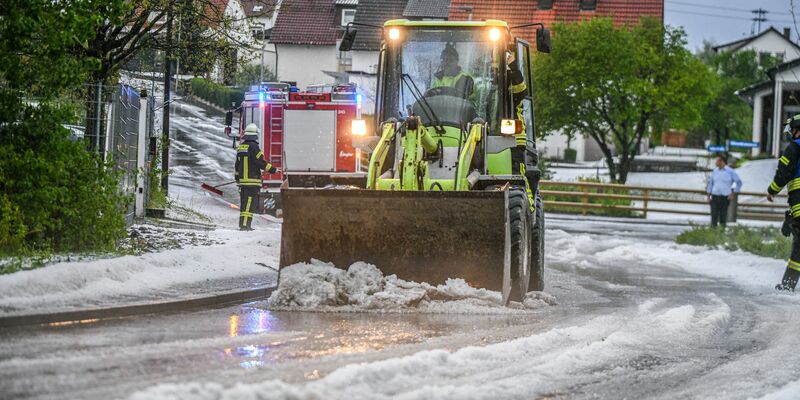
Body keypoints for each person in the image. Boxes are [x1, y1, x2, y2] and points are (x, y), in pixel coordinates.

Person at [767, 114, 800, 291]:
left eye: (792, 130)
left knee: (799, 247)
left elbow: (783, 173)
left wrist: (772, 190)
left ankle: (788, 285)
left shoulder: (795, 148)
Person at [234, 123, 275, 231]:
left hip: (243, 182)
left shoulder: (241, 147)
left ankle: (243, 224)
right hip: (252, 182)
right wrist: (273, 169)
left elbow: (237, 165)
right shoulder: (254, 147)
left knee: (244, 204)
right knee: (249, 204)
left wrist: (238, 178)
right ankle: (245, 226)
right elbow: (260, 162)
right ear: (255, 135)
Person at [706, 154, 742, 227]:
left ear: (722, 161)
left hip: (725, 197)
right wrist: (708, 195)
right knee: (714, 216)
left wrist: (733, 193)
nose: (715, 162)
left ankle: (721, 233)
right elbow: (711, 183)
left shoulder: (730, 171)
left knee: (723, 216)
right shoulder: (715, 171)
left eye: (717, 160)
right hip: (715, 196)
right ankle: (712, 233)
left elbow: (739, 182)